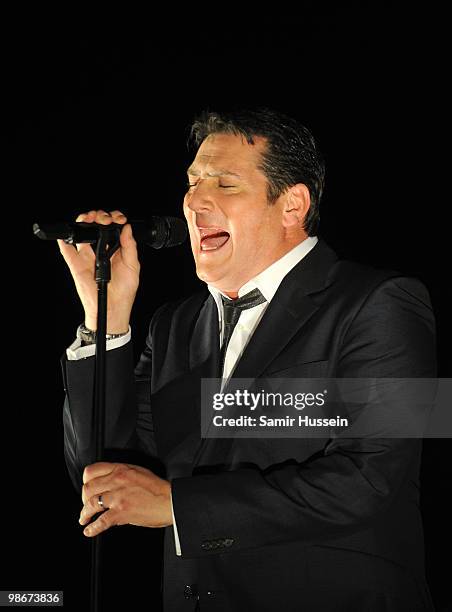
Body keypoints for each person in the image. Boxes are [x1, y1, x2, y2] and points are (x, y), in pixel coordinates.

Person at [59, 108, 436, 611]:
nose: (194, 200)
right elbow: (108, 471)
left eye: (225, 183)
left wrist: (178, 506)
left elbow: (372, 478)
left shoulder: (385, 300)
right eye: (192, 183)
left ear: (292, 204)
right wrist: (105, 323)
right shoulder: (174, 325)